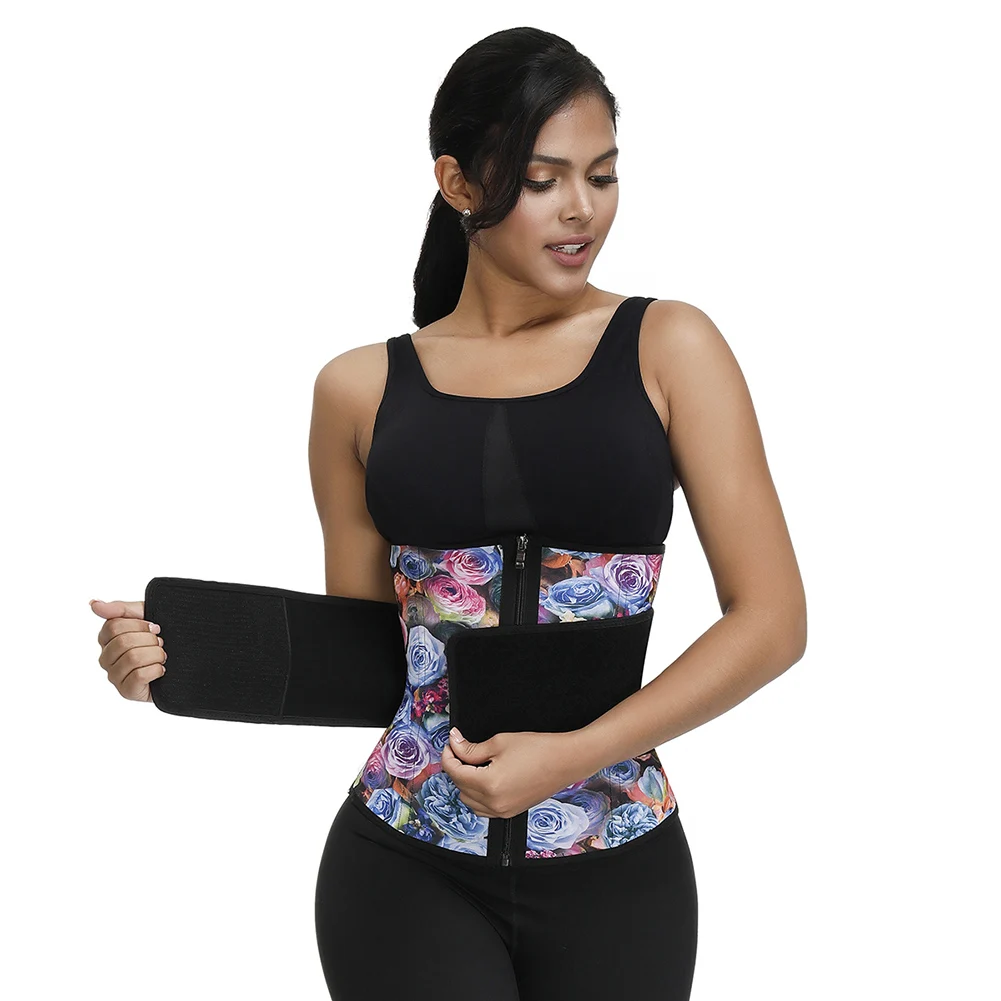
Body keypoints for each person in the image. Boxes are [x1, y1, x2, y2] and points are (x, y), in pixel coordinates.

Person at [92, 26, 807, 1001]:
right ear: (458, 182)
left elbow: (772, 621)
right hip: (403, 862)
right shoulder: (358, 389)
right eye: (544, 178)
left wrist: (572, 755)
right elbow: (373, 660)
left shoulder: (668, 345)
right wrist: (181, 656)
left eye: (601, 175)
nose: (581, 208)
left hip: (618, 865)